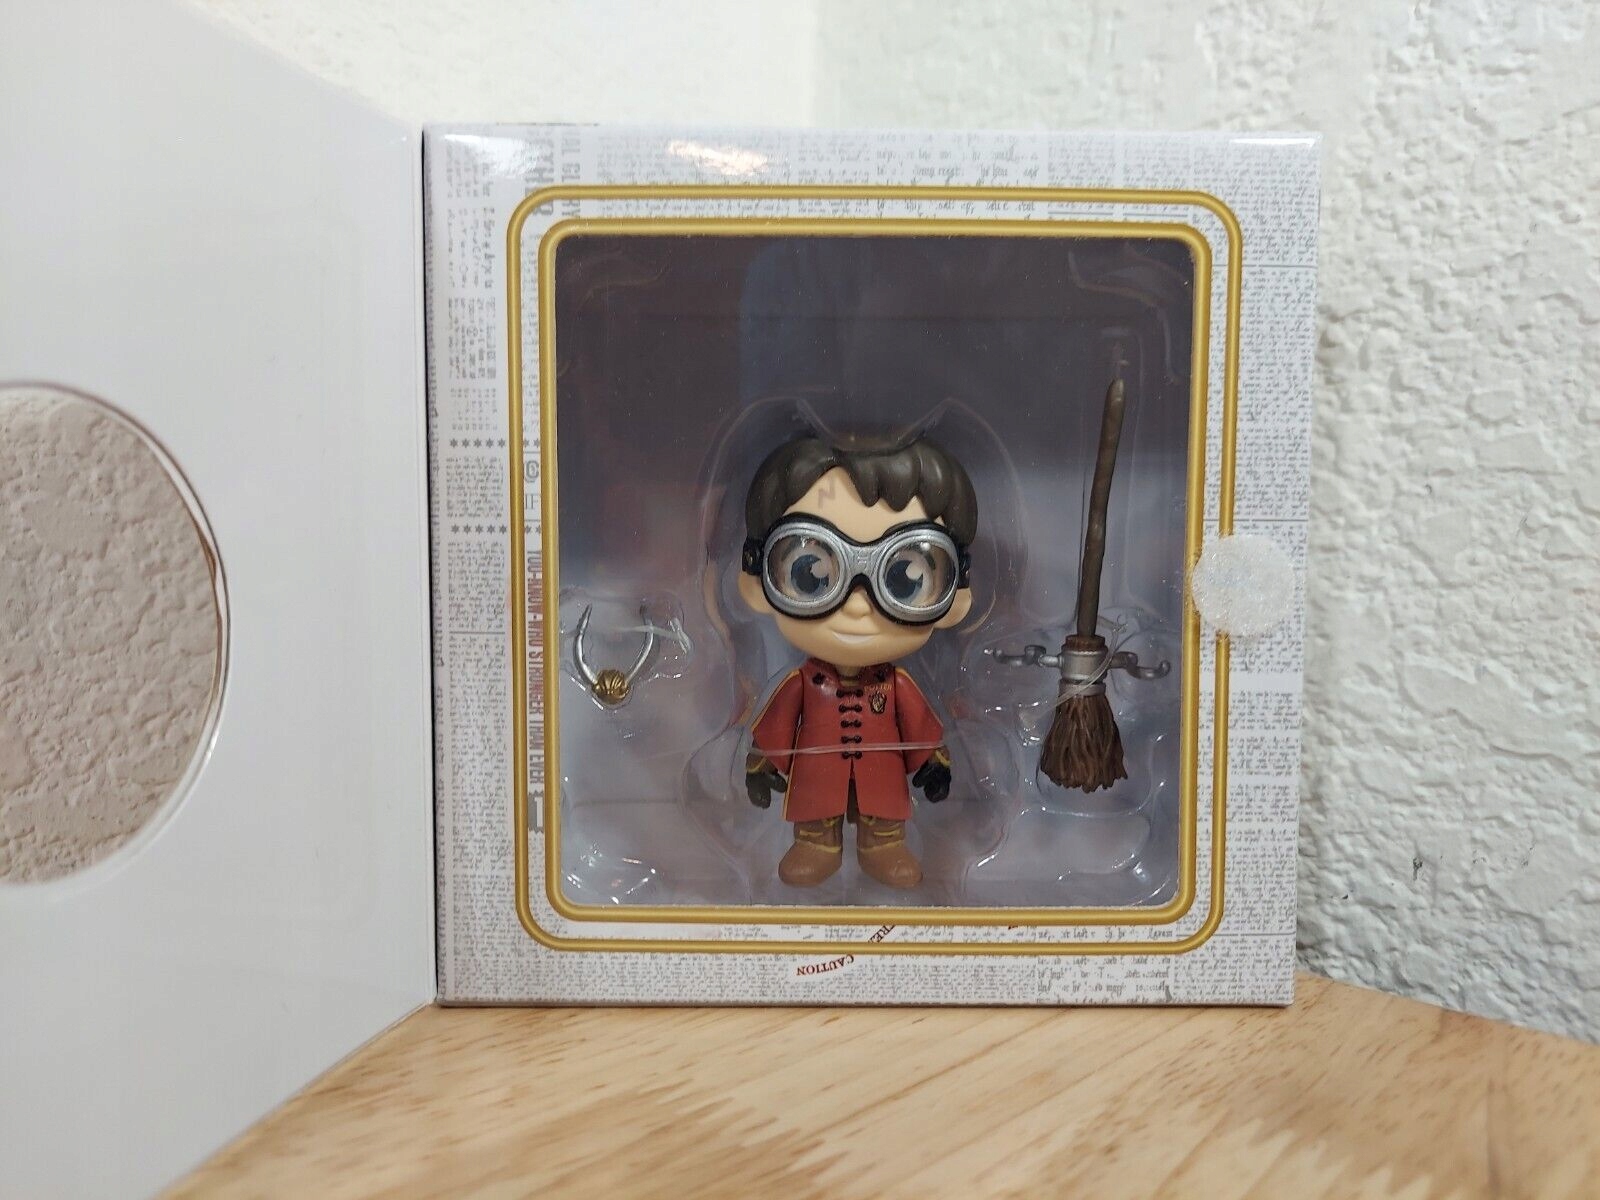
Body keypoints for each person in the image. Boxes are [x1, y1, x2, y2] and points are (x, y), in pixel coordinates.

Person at [739, 435, 976, 888]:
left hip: (881, 775)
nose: (857, 605)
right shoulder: (804, 683)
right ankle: (816, 843)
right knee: (815, 812)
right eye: (810, 573)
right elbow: (778, 724)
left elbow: (920, 726)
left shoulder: (895, 685)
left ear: (956, 595)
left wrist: (933, 762)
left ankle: (882, 845)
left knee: (883, 813)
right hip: (816, 777)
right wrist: (762, 764)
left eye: (903, 578)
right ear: (757, 581)